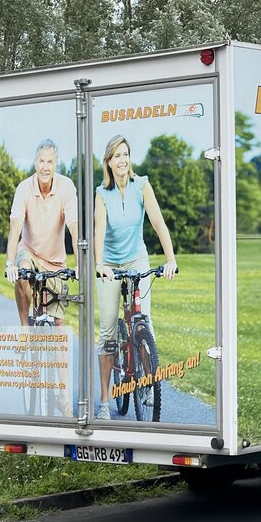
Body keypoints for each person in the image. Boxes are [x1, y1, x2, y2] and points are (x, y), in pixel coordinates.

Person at [94, 135, 177, 420]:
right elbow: (99, 232)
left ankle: (145, 371)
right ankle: (105, 402)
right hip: (109, 263)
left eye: (126, 154)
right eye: (117, 155)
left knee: (144, 319)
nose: (122, 160)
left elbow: (157, 222)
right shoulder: (101, 194)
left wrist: (170, 259)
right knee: (107, 333)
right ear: (109, 161)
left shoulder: (141, 185)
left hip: (136, 257)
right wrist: (99, 264)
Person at [4, 139, 78, 415]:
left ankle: (62, 398)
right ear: (35, 163)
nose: (45, 167)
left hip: (55, 261)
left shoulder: (66, 187)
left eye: (50, 161)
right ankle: (26, 329)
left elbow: (74, 225)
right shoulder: (24, 188)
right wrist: (11, 261)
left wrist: (80, 263)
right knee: (22, 274)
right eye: (40, 161)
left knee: (58, 327)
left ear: (55, 163)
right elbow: (15, 227)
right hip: (30, 251)